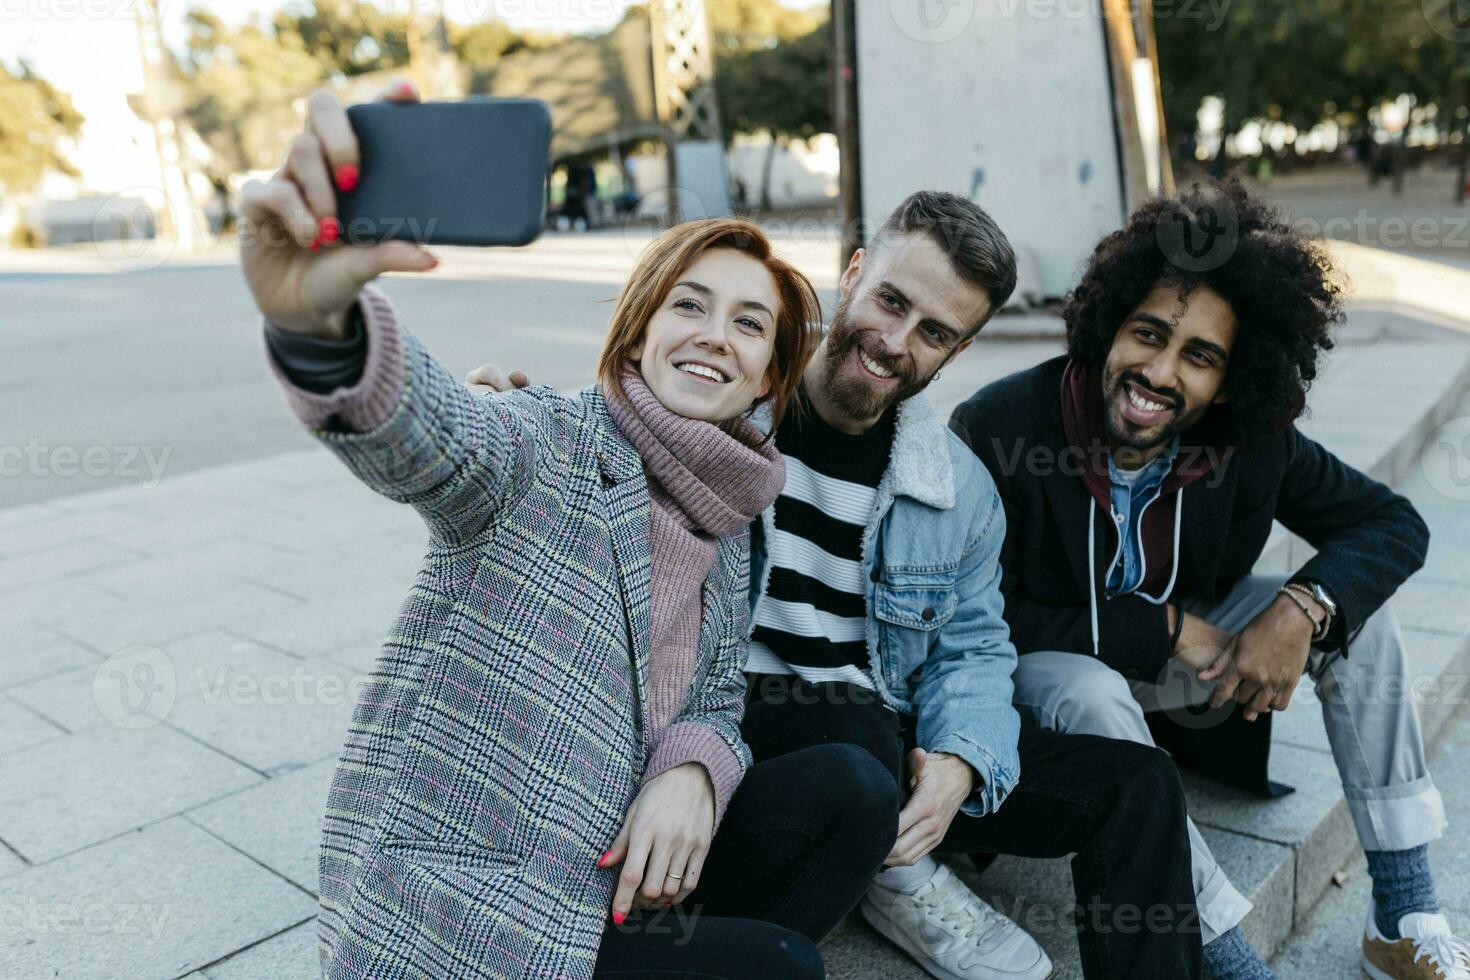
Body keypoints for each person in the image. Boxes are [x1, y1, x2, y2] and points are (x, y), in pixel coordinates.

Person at [239, 81, 900, 980]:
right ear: (636, 337)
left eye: (750, 325)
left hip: (611, 869)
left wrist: (694, 771)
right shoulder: (544, 437)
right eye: (689, 306)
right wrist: (318, 325)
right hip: (475, 902)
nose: (716, 335)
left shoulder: (733, 513)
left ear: (764, 384)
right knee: (782, 968)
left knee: (855, 790)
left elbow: (713, 700)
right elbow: (434, 438)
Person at [471, 191, 1206, 980]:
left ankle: (906, 858)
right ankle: (894, 878)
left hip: (883, 755)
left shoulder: (955, 488)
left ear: (955, 353)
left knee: (1140, 783)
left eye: (933, 333)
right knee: (854, 725)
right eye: (891, 300)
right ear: (852, 273)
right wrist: (507, 417)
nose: (894, 343)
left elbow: (974, 648)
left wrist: (961, 758)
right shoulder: (727, 399)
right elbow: (610, 419)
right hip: (740, 741)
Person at [951, 177, 1470, 980]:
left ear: (1229, 381)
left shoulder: (1247, 439)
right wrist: (1159, 628)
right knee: (1090, 687)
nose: (1158, 372)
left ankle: (1402, 912)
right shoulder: (1001, 425)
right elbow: (977, 618)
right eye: (1147, 334)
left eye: (1198, 357)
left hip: (1182, 682)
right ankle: (1223, 952)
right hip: (1047, 692)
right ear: (1107, 324)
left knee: (1356, 616)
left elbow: (1392, 524)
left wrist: (1301, 607)